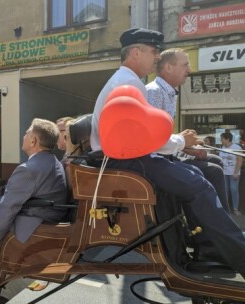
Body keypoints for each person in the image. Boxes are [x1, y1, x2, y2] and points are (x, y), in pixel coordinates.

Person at [90, 28, 245, 278]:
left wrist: (178, 143)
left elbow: (144, 135)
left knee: (197, 176)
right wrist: (180, 142)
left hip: (128, 157)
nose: (157, 57)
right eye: (154, 51)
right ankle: (231, 253)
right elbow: (142, 139)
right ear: (136, 52)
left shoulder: (127, 81)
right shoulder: (128, 84)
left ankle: (208, 246)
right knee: (199, 184)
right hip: (126, 160)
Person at [146, 48, 229, 212]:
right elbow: (152, 140)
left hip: (167, 153)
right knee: (212, 170)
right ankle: (210, 230)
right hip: (156, 160)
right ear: (169, 68)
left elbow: (163, 135)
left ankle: (219, 223)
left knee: (216, 161)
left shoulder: (169, 92)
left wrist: (187, 146)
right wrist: (182, 142)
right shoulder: (153, 92)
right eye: (185, 65)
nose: (189, 70)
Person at [0, 118, 69, 257]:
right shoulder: (54, 162)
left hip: (32, 226)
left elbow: (8, 210)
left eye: (26, 133)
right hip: (47, 218)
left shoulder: (28, 169)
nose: (23, 136)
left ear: (33, 141)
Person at [220, 132, 243, 215]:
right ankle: (226, 208)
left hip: (233, 172)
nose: (221, 140)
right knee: (225, 190)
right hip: (224, 172)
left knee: (233, 189)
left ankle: (235, 209)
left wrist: (236, 172)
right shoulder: (222, 147)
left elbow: (239, 160)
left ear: (227, 139)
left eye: (222, 138)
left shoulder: (236, 147)